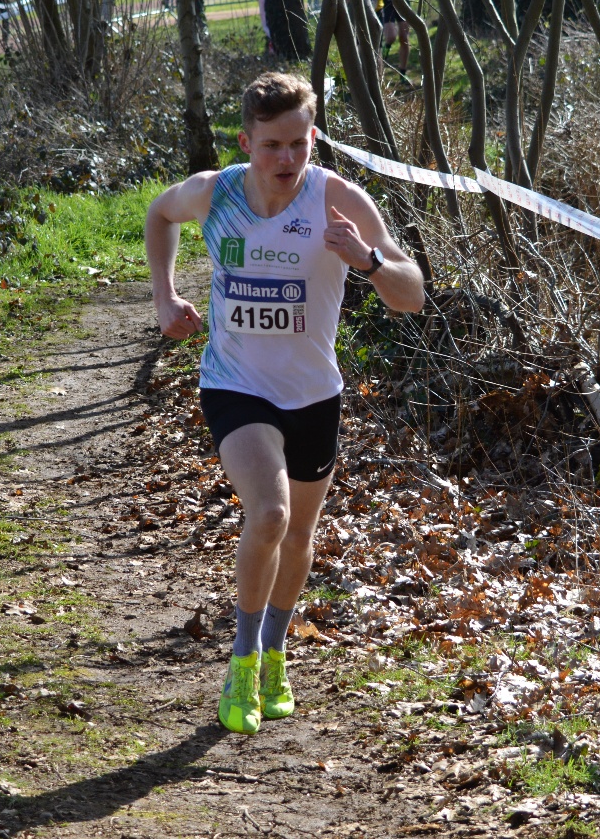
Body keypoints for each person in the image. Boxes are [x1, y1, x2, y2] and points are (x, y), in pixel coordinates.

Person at [144, 73, 424, 735]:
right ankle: (240, 664)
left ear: (313, 138)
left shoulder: (338, 200)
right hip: (235, 385)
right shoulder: (216, 194)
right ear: (246, 142)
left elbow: (412, 292)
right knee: (267, 514)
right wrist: (163, 296)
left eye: (299, 143)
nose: (287, 160)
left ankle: (275, 651)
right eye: (272, 145)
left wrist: (370, 260)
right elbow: (158, 213)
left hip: (313, 397)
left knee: (299, 534)